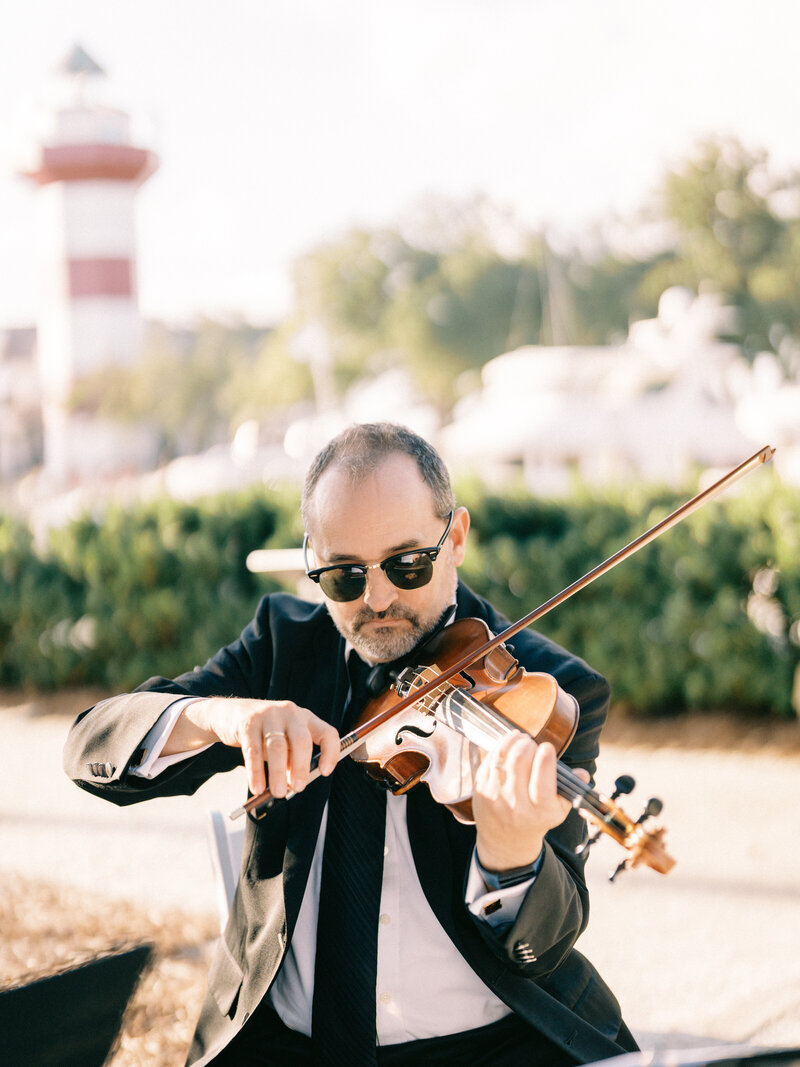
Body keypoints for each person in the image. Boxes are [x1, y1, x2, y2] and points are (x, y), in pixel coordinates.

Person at [64, 422, 637, 1066]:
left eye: (407, 563)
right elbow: (91, 745)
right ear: (312, 556)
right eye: (343, 575)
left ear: (458, 539)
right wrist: (220, 718)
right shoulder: (283, 645)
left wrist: (512, 858)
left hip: (494, 1045)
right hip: (287, 1047)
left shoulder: (550, 689)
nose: (379, 598)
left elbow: (543, 948)